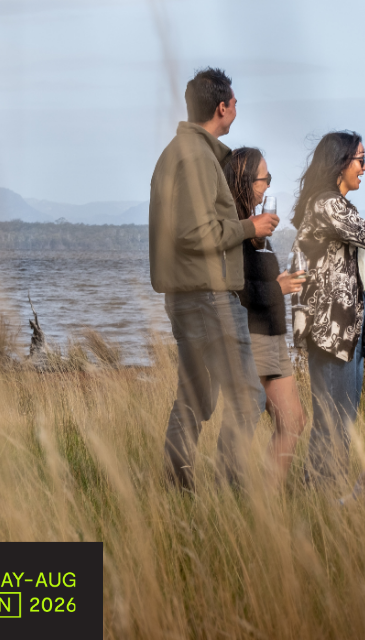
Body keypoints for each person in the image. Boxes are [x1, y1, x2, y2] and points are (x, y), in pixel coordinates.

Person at [149, 68, 279, 490]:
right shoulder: (193, 157)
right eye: (235, 103)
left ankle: (176, 489)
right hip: (206, 298)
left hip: (190, 296)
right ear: (221, 107)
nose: (238, 109)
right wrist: (249, 227)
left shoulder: (193, 152)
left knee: (196, 398)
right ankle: (232, 491)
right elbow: (192, 233)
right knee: (247, 398)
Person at [290, 131, 365, 485]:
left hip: (348, 329)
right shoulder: (326, 204)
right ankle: (317, 496)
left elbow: (363, 255)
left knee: (345, 421)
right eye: (360, 159)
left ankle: (327, 498)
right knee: (333, 423)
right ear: (341, 164)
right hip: (329, 331)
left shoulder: (340, 207)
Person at [223, 147, 307, 484]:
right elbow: (235, 291)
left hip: (272, 337)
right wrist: (279, 289)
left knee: (293, 421)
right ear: (245, 182)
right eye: (264, 179)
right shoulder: (233, 228)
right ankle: (244, 494)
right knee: (260, 420)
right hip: (254, 336)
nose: (268, 186)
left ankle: (265, 499)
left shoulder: (254, 230)